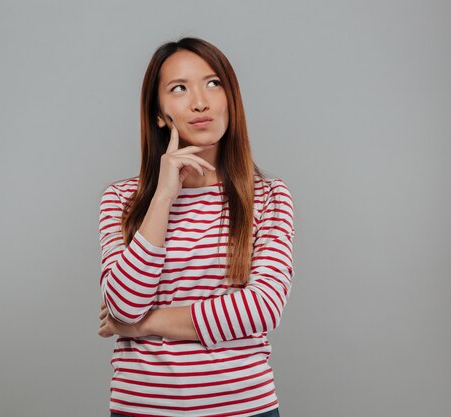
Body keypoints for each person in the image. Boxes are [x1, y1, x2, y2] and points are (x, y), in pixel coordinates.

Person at [98, 37, 294, 417]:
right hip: (142, 408)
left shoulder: (269, 197)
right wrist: (162, 197)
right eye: (179, 88)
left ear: (230, 99)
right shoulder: (121, 199)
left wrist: (140, 326)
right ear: (158, 113)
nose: (200, 101)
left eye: (213, 83)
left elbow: (262, 308)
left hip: (243, 408)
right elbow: (123, 303)